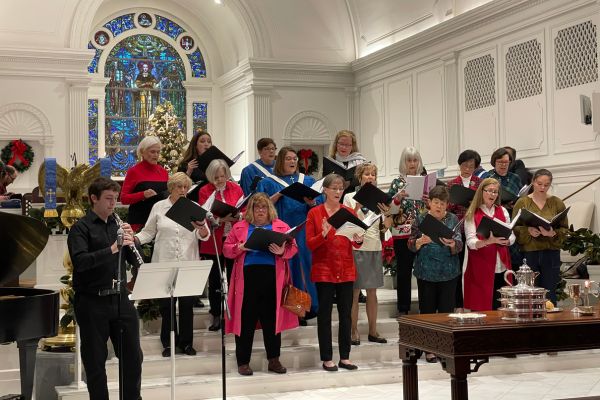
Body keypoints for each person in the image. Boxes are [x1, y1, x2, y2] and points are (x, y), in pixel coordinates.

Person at [67, 177, 143, 400]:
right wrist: (112, 248)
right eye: (108, 199)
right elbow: (80, 262)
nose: (113, 204)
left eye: (115, 199)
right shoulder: (80, 229)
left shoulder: (118, 225)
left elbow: (133, 259)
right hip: (92, 301)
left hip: (120, 298)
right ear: (93, 198)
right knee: (95, 361)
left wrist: (133, 242)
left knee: (133, 357)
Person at [135, 172, 211, 357]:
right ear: (171, 188)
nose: (183, 190)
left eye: (185, 187)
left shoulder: (193, 206)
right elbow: (148, 232)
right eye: (179, 187)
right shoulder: (159, 207)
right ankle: (169, 344)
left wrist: (201, 226)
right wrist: (134, 239)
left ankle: (186, 343)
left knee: (186, 305)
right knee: (167, 306)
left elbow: (205, 235)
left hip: (187, 262)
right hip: (165, 261)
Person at [223, 192, 299, 376]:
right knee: (246, 320)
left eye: (264, 207)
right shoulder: (240, 227)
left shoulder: (281, 227)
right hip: (247, 278)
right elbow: (226, 249)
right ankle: (243, 362)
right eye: (256, 207)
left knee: (272, 320)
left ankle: (274, 359)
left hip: (273, 277)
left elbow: (293, 247)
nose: (260, 211)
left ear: (269, 209)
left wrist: (281, 251)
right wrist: (240, 248)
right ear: (251, 210)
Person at [306, 174, 363, 372]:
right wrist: (323, 233)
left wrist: (358, 238)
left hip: (346, 268)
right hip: (324, 270)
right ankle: (327, 358)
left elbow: (356, 242)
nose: (338, 192)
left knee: (345, 314)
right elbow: (310, 244)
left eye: (341, 189)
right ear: (325, 190)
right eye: (334, 188)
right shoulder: (315, 213)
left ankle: (345, 357)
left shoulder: (348, 212)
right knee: (325, 315)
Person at [256, 147, 319, 321]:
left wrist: (312, 202)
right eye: (288, 159)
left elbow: (318, 206)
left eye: (294, 158)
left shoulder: (307, 180)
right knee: (288, 270)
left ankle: (306, 308)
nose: (292, 162)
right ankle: (291, 311)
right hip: (281, 231)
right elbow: (260, 204)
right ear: (280, 161)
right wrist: (280, 193)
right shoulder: (269, 182)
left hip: (304, 230)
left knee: (304, 268)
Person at [408, 185, 462, 362]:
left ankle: (444, 348)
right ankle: (430, 349)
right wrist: (419, 242)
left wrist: (452, 244)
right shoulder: (421, 219)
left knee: (446, 312)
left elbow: (460, 244)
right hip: (426, 273)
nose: (439, 206)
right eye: (436, 202)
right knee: (428, 312)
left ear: (447, 204)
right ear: (429, 203)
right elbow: (410, 244)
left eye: (443, 203)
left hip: (448, 273)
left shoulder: (453, 219)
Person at [342, 163, 392, 345]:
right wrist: (357, 207)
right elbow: (347, 222)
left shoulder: (381, 198)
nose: (370, 177)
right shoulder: (349, 197)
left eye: (373, 174)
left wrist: (388, 215)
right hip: (356, 248)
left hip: (374, 246)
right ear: (360, 177)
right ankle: (353, 331)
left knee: (372, 292)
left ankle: (373, 330)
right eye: (367, 174)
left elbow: (385, 227)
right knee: (354, 292)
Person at [198, 159, 245, 331]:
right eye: (216, 177)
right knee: (215, 280)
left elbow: (245, 210)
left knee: (234, 277)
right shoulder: (205, 191)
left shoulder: (236, 188)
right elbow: (202, 215)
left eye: (222, 176)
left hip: (233, 239)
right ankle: (216, 314)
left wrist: (237, 217)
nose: (219, 180)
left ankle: (233, 312)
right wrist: (220, 219)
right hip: (214, 241)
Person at [512, 169, 568, 305]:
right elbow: (513, 228)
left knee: (550, 293)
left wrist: (552, 233)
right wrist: (528, 230)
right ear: (533, 182)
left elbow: (565, 230)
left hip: (551, 253)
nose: (543, 187)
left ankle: (549, 324)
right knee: (529, 293)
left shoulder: (557, 203)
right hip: (529, 254)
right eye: (539, 184)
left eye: (546, 185)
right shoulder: (522, 202)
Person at [387, 146, 429, 315]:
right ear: (404, 162)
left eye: (415, 160)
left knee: (423, 271)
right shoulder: (397, 182)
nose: (412, 163)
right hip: (402, 234)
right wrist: (397, 199)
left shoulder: (425, 181)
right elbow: (388, 210)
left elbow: (434, 208)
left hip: (422, 233)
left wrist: (428, 201)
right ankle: (403, 308)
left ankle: (425, 306)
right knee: (404, 272)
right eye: (409, 160)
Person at [463, 178, 515, 311]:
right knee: (482, 306)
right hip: (481, 265)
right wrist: (488, 241)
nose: (492, 194)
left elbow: (512, 234)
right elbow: (470, 242)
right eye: (489, 191)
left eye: (495, 192)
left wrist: (508, 241)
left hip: (501, 264)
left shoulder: (502, 211)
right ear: (482, 192)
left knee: (502, 306)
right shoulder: (472, 213)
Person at [446, 150, 482, 310]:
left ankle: (474, 302)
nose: (467, 169)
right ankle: (457, 304)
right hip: (458, 229)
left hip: (476, 229)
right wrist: (455, 202)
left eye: (471, 166)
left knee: (474, 268)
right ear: (460, 165)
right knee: (457, 266)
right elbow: (446, 208)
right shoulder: (452, 184)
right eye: (464, 165)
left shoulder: (480, 183)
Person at [120, 136, 169, 232]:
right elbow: (123, 199)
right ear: (142, 152)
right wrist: (143, 194)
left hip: (159, 222)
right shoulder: (133, 171)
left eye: (158, 152)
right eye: (152, 151)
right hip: (139, 222)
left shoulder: (163, 172)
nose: (156, 155)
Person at [481, 147, 522, 212]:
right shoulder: (488, 177)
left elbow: (521, 195)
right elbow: (482, 199)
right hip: (493, 212)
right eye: (500, 162)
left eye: (506, 162)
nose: (503, 165)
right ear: (494, 162)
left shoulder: (515, 177)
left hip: (514, 211)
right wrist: (504, 206)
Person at [330, 130, 366, 197]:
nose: (344, 147)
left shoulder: (360, 161)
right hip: (334, 199)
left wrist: (350, 182)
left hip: (355, 199)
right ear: (336, 144)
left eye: (347, 145)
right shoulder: (330, 161)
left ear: (352, 146)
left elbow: (367, 182)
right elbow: (321, 184)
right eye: (341, 144)